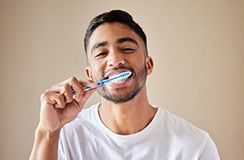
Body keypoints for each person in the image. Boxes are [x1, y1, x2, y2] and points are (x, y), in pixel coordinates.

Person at [29, 10, 220, 160]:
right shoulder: (64, 137)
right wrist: (48, 133)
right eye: (101, 53)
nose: (115, 60)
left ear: (148, 65)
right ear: (90, 75)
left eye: (127, 49)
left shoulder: (195, 146)